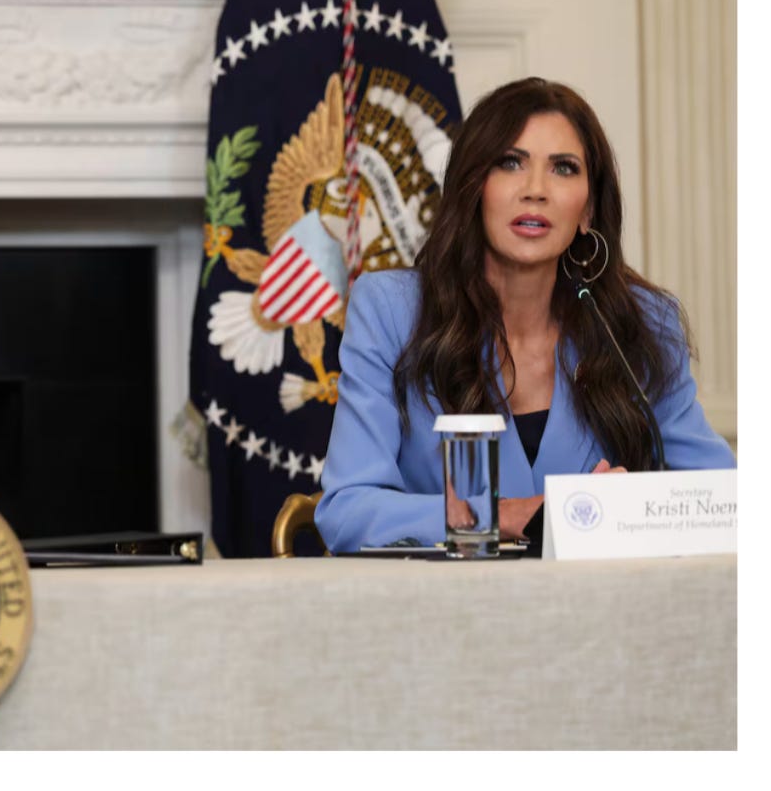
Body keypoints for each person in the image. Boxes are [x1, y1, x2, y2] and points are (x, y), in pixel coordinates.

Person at [314, 78, 734, 555]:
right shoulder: (392, 311)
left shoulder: (642, 324)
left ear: (588, 209)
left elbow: (718, 498)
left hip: (600, 599)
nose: (536, 190)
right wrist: (504, 515)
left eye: (563, 168)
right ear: (474, 187)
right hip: (443, 599)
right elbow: (346, 511)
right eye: (511, 163)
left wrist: (627, 508)